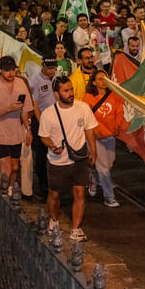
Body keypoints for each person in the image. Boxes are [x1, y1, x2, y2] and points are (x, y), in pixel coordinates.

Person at [38, 77, 98, 241]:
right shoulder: (49, 114)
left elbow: (90, 130)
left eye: (71, 89)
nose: (71, 93)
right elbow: (43, 136)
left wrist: (93, 150)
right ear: (56, 94)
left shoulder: (83, 108)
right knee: (55, 194)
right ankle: (53, 221)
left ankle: (76, 228)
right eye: (66, 90)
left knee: (80, 193)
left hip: (79, 159)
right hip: (58, 162)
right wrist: (52, 145)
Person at [0, 56, 33, 192]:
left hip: (16, 133)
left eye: (13, 70)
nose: (11, 73)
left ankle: (9, 191)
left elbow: (25, 110)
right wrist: (8, 109)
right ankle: (4, 194)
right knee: (7, 167)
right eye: (7, 70)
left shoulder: (21, 83)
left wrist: (28, 129)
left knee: (15, 167)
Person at [83, 69, 125, 208]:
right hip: (95, 138)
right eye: (100, 79)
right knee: (103, 168)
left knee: (109, 164)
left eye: (105, 78)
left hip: (110, 136)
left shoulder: (114, 95)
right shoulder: (88, 98)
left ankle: (93, 178)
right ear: (94, 82)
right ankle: (109, 197)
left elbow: (119, 111)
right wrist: (94, 130)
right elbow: (86, 117)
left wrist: (118, 126)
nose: (103, 81)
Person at [29, 58, 58, 200]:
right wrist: (42, 124)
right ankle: (43, 185)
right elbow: (35, 105)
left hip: (56, 119)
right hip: (41, 120)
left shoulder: (57, 77)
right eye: (49, 68)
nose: (52, 71)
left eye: (54, 68)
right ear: (43, 67)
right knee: (41, 154)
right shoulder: (35, 81)